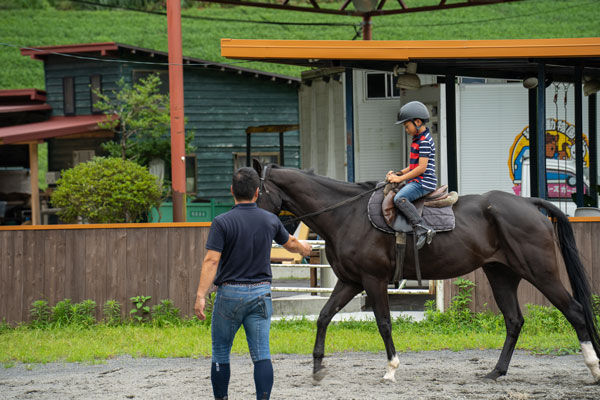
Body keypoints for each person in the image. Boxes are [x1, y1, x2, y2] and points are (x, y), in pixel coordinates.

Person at [194, 167, 312, 400]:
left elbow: (211, 260)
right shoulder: (270, 219)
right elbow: (290, 243)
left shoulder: (221, 222)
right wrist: (304, 248)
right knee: (261, 355)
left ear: (232, 191)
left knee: (220, 352)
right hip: (260, 293)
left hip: (229, 293)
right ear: (257, 193)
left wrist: (200, 295)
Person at [385, 101, 437, 250]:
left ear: (418, 122)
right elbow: (413, 166)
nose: (406, 130)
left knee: (399, 198)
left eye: (407, 126)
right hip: (417, 180)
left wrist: (400, 179)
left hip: (423, 182)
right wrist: (399, 173)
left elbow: (421, 168)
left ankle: (422, 228)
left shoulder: (425, 141)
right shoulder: (417, 140)